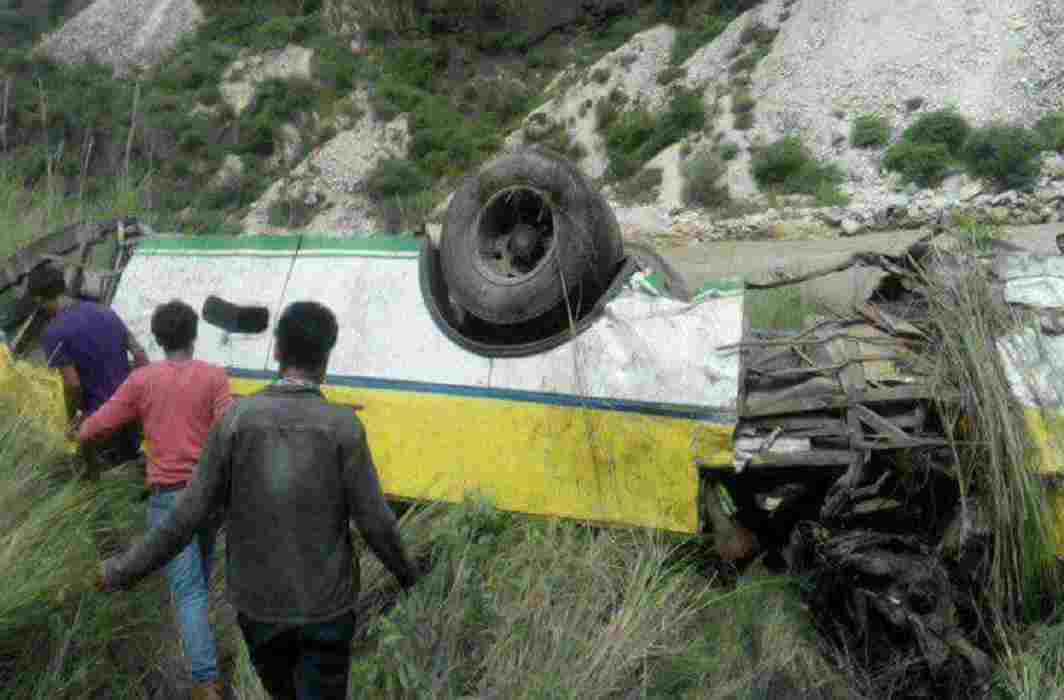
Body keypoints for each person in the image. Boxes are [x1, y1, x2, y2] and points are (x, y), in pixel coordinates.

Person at [99, 300, 421, 700]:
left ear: (276, 352)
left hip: (260, 610)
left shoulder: (236, 421)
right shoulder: (343, 428)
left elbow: (185, 517)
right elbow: (376, 523)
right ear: (325, 359)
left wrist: (121, 571)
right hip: (326, 608)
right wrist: (408, 576)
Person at [78, 300, 232, 700]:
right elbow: (228, 433)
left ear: (159, 340)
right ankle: (206, 659)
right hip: (210, 495)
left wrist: (76, 434)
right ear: (194, 336)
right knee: (200, 575)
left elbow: (100, 424)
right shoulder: (215, 378)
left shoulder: (142, 381)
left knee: (189, 590)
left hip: (170, 499)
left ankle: (205, 680)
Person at [27, 262, 149, 475]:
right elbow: (139, 355)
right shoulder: (106, 311)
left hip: (101, 421)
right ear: (63, 287)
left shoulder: (54, 333)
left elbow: (73, 385)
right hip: (133, 412)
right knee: (135, 469)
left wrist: (72, 418)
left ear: (38, 299)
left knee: (98, 478)